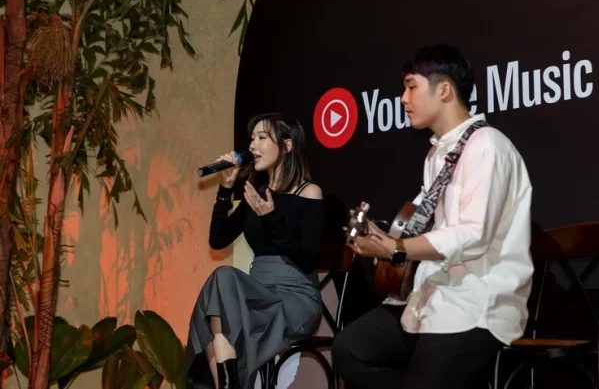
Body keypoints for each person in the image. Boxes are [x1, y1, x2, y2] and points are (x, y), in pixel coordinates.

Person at [331, 44, 535, 389]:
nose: (403, 98)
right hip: (432, 296)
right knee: (350, 350)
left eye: (411, 86)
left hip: (476, 304)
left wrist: (397, 248)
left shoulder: (487, 146)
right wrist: (381, 240)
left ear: (444, 90)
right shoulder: (437, 155)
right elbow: (420, 223)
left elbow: (473, 235)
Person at [185, 113, 325, 389]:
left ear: (287, 145)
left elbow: (309, 258)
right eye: (252, 138)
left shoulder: (309, 192)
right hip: (258, 294)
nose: (252, 146)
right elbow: (218, 241)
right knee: (222, 282)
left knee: (222, 302)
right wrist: (225, 189)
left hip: (295, 298)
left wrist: (270, 219)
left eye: (262, 138)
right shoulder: (255, 193)